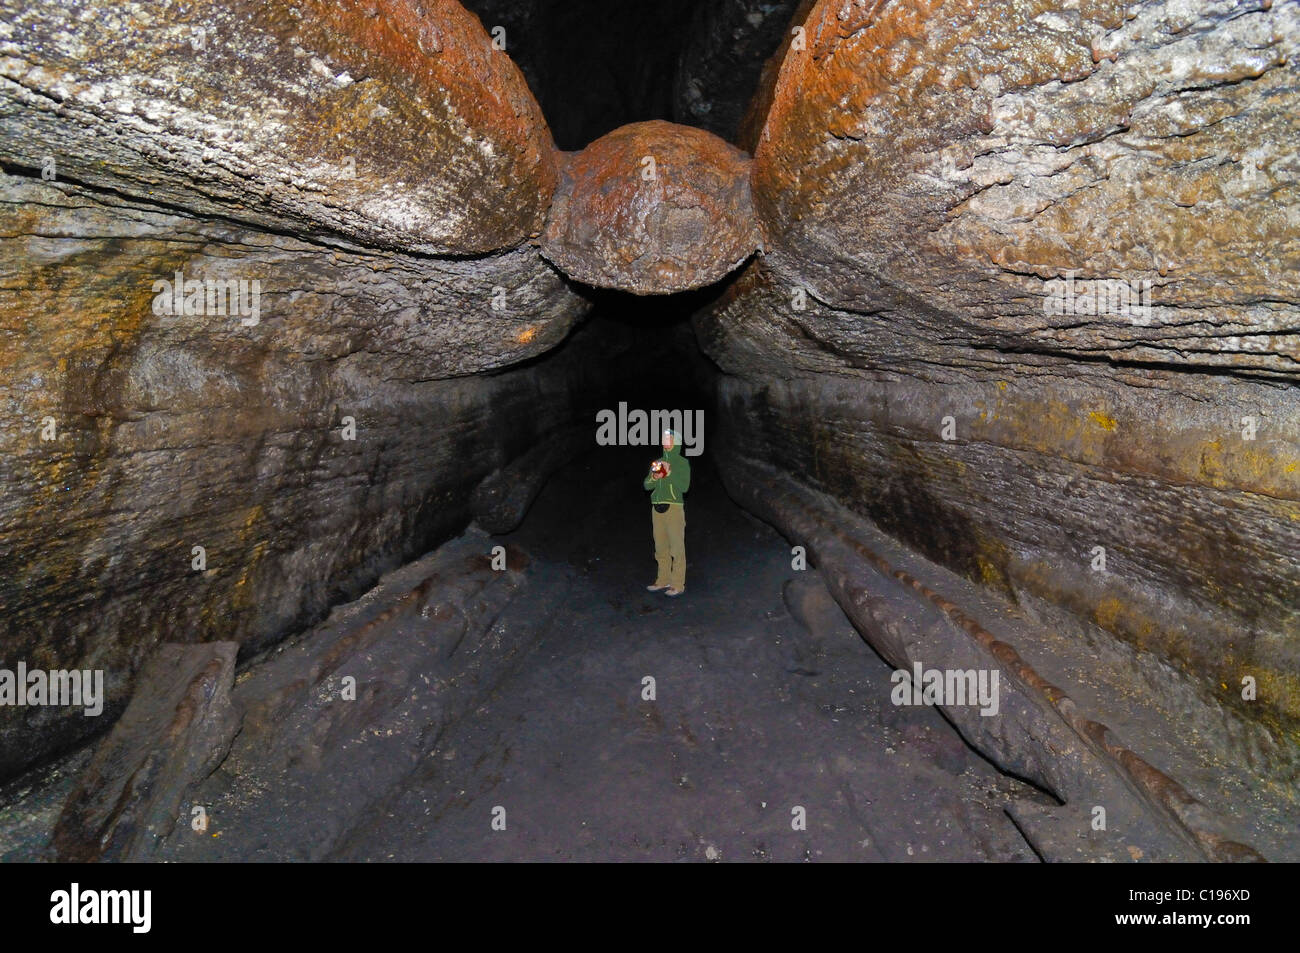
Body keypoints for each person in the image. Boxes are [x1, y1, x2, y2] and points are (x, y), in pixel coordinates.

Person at [644, 428, 691, 596]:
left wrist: (669, 473)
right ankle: (662, 580)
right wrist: (653, 478)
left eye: (668, 438)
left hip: (674, 508)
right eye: (663, 437)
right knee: (660, 547)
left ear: (676, 442)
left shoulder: (682, 463)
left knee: (676, 547)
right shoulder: (657, 462)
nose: (664, 440)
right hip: (656, 509)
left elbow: (684, 487)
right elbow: (647, 485)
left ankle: (677, 584)